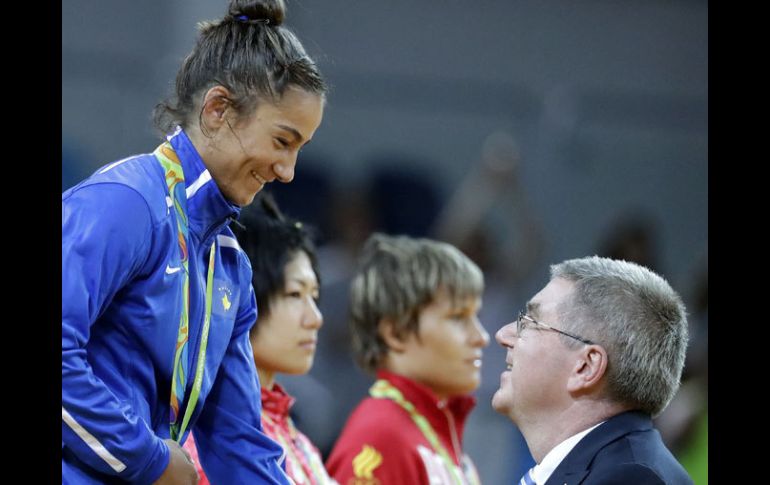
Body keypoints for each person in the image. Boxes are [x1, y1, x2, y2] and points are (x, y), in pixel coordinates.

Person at [61, 0, 326, 482]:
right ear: (218, 109)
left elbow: (238, 440)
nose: (288, 172)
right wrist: (150, 457)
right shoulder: (126, 203)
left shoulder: (229, 264)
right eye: (282, 142)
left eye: (299, 150)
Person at [492, 256, 694, 485]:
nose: (503, 335)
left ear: (586, 367)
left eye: (529, 322)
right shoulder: (613, 466)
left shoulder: (629, 479)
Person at [183, 193, 337, 485]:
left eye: (314, 297)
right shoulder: (204, 442)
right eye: (294, 294)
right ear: (241, 293)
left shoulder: (298, 440)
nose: (315, 318)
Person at [326, 233, 490, 485]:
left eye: (475, 316)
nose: (481, 337)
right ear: (395, 333)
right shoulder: (381, 435)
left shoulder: (437, 436)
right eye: (458, 317)